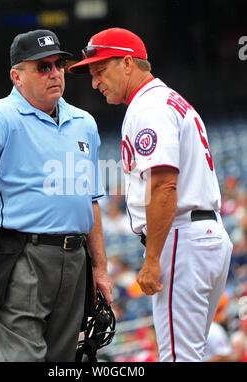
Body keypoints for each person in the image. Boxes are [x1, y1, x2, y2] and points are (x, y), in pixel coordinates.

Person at [69, 27, 233, 362]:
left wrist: (153, 259)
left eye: (100, 71)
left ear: (127, 63)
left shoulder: (149, 106)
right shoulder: (168, 99)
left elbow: (164, 185)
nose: (95, 82)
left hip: (181, 239)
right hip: (204, 236)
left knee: (178, 357)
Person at [0, 29, 113, 362]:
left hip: (75, 259)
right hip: (20, 255)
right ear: (17, 76)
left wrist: (100, 267)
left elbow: (91, 201)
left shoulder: (84, 123)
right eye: (43, 66)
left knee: (65, 362)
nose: (55, 72)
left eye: (59, 64)